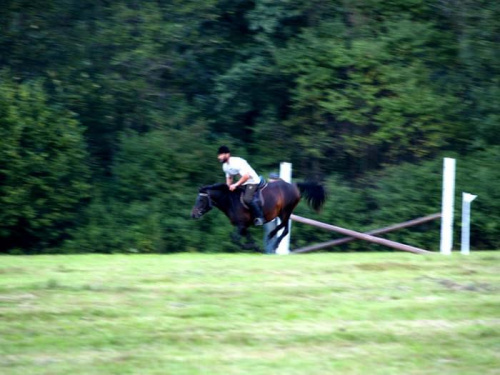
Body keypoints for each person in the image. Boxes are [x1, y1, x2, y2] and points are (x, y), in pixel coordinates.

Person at [217, 145, 265, 226]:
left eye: (221, 154)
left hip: (252, 181)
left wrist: (235, 185)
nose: (219, 157)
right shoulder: (225, 166)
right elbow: (229, 178)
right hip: (243, 183)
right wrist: (227, 189)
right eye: (219, 155)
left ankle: (260, 217)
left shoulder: (237, 162)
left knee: (247, 199)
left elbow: (246, 176)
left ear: (227, 154)